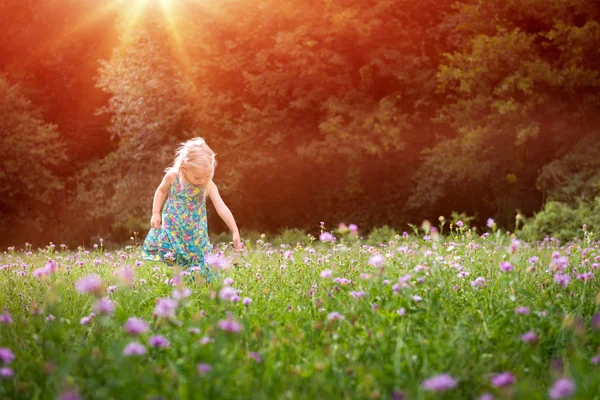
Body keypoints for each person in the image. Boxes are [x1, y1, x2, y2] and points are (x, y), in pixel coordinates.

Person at [141, 137, 241, 280]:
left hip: (196, 231)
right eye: (198, 177)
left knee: (200, 262)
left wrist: (234, 230)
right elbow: (161, 191)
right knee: (172, 255)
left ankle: (199, 282)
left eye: (207, 176)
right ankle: (177, 279)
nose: (202, 180)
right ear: (184, 168)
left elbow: (221, 207)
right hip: (173, 227)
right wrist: (155, 212)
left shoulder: (208, 184)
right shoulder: (172, 177)